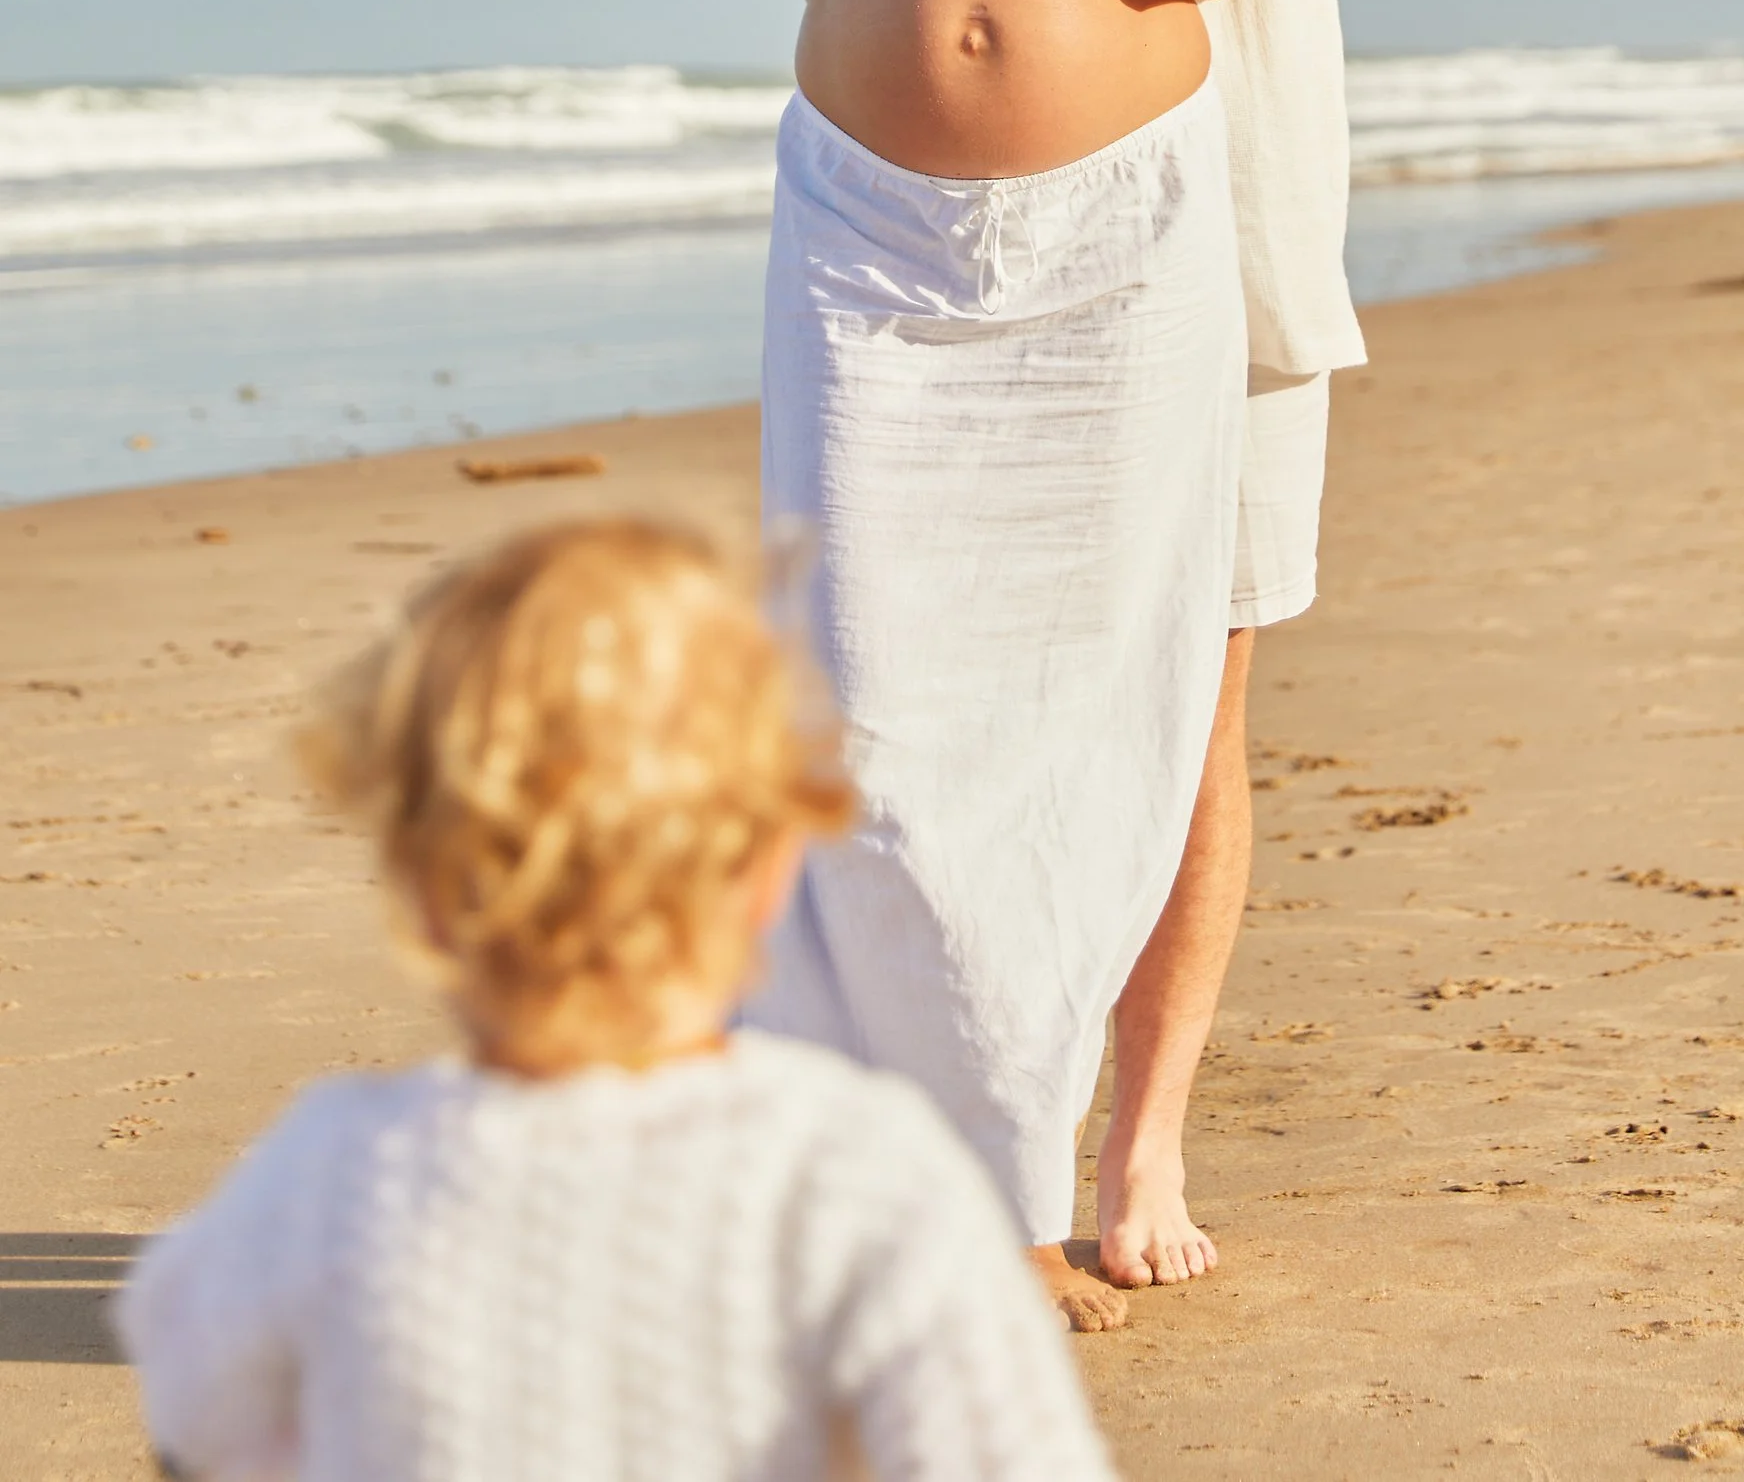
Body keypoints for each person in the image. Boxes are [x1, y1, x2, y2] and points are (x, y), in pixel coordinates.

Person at [630, 0, 1396, 1296]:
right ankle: (893, 1169)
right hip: (878, 245)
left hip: (1144, 229)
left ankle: (1092, 1156)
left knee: (1136, 700)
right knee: (871, 706)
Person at [115, 516, 1117, 1482]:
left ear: (418, 892)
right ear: (770, 868)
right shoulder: (859, 1174)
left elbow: (194, 1416)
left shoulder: (322, 1176)